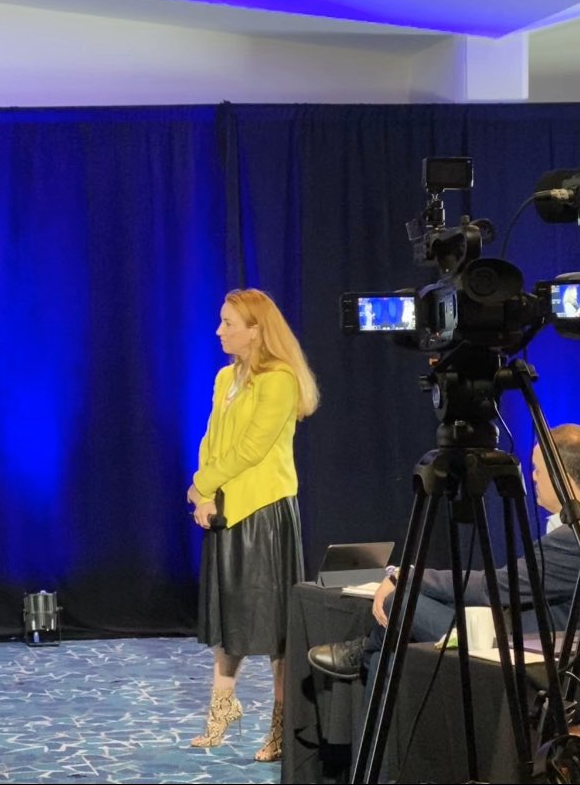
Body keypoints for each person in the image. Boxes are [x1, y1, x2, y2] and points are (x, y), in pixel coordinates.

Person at [308, 423, 580, 681]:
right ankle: (371, 654)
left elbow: (496, 587)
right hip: (515, 625)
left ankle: (366, 653)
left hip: (522, 643)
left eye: (538, 470)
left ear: (562, 478)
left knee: (400, 602)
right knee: (388, 654)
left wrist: (411, 576)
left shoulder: (572, 538)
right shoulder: (564, 528)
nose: (533, 477)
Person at [187, 288, 320, 761]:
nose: (219, 330)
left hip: (264, 513)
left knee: (272, 628)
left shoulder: (279, 379)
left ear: (255, 330)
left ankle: (281, 725)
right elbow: (212, 439)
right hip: (225, 508)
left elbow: (252, 448)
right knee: (230, 619)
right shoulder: (226, 378)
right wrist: (204, 492)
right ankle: (222, 708)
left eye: (228, 323)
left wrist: (201, 485)